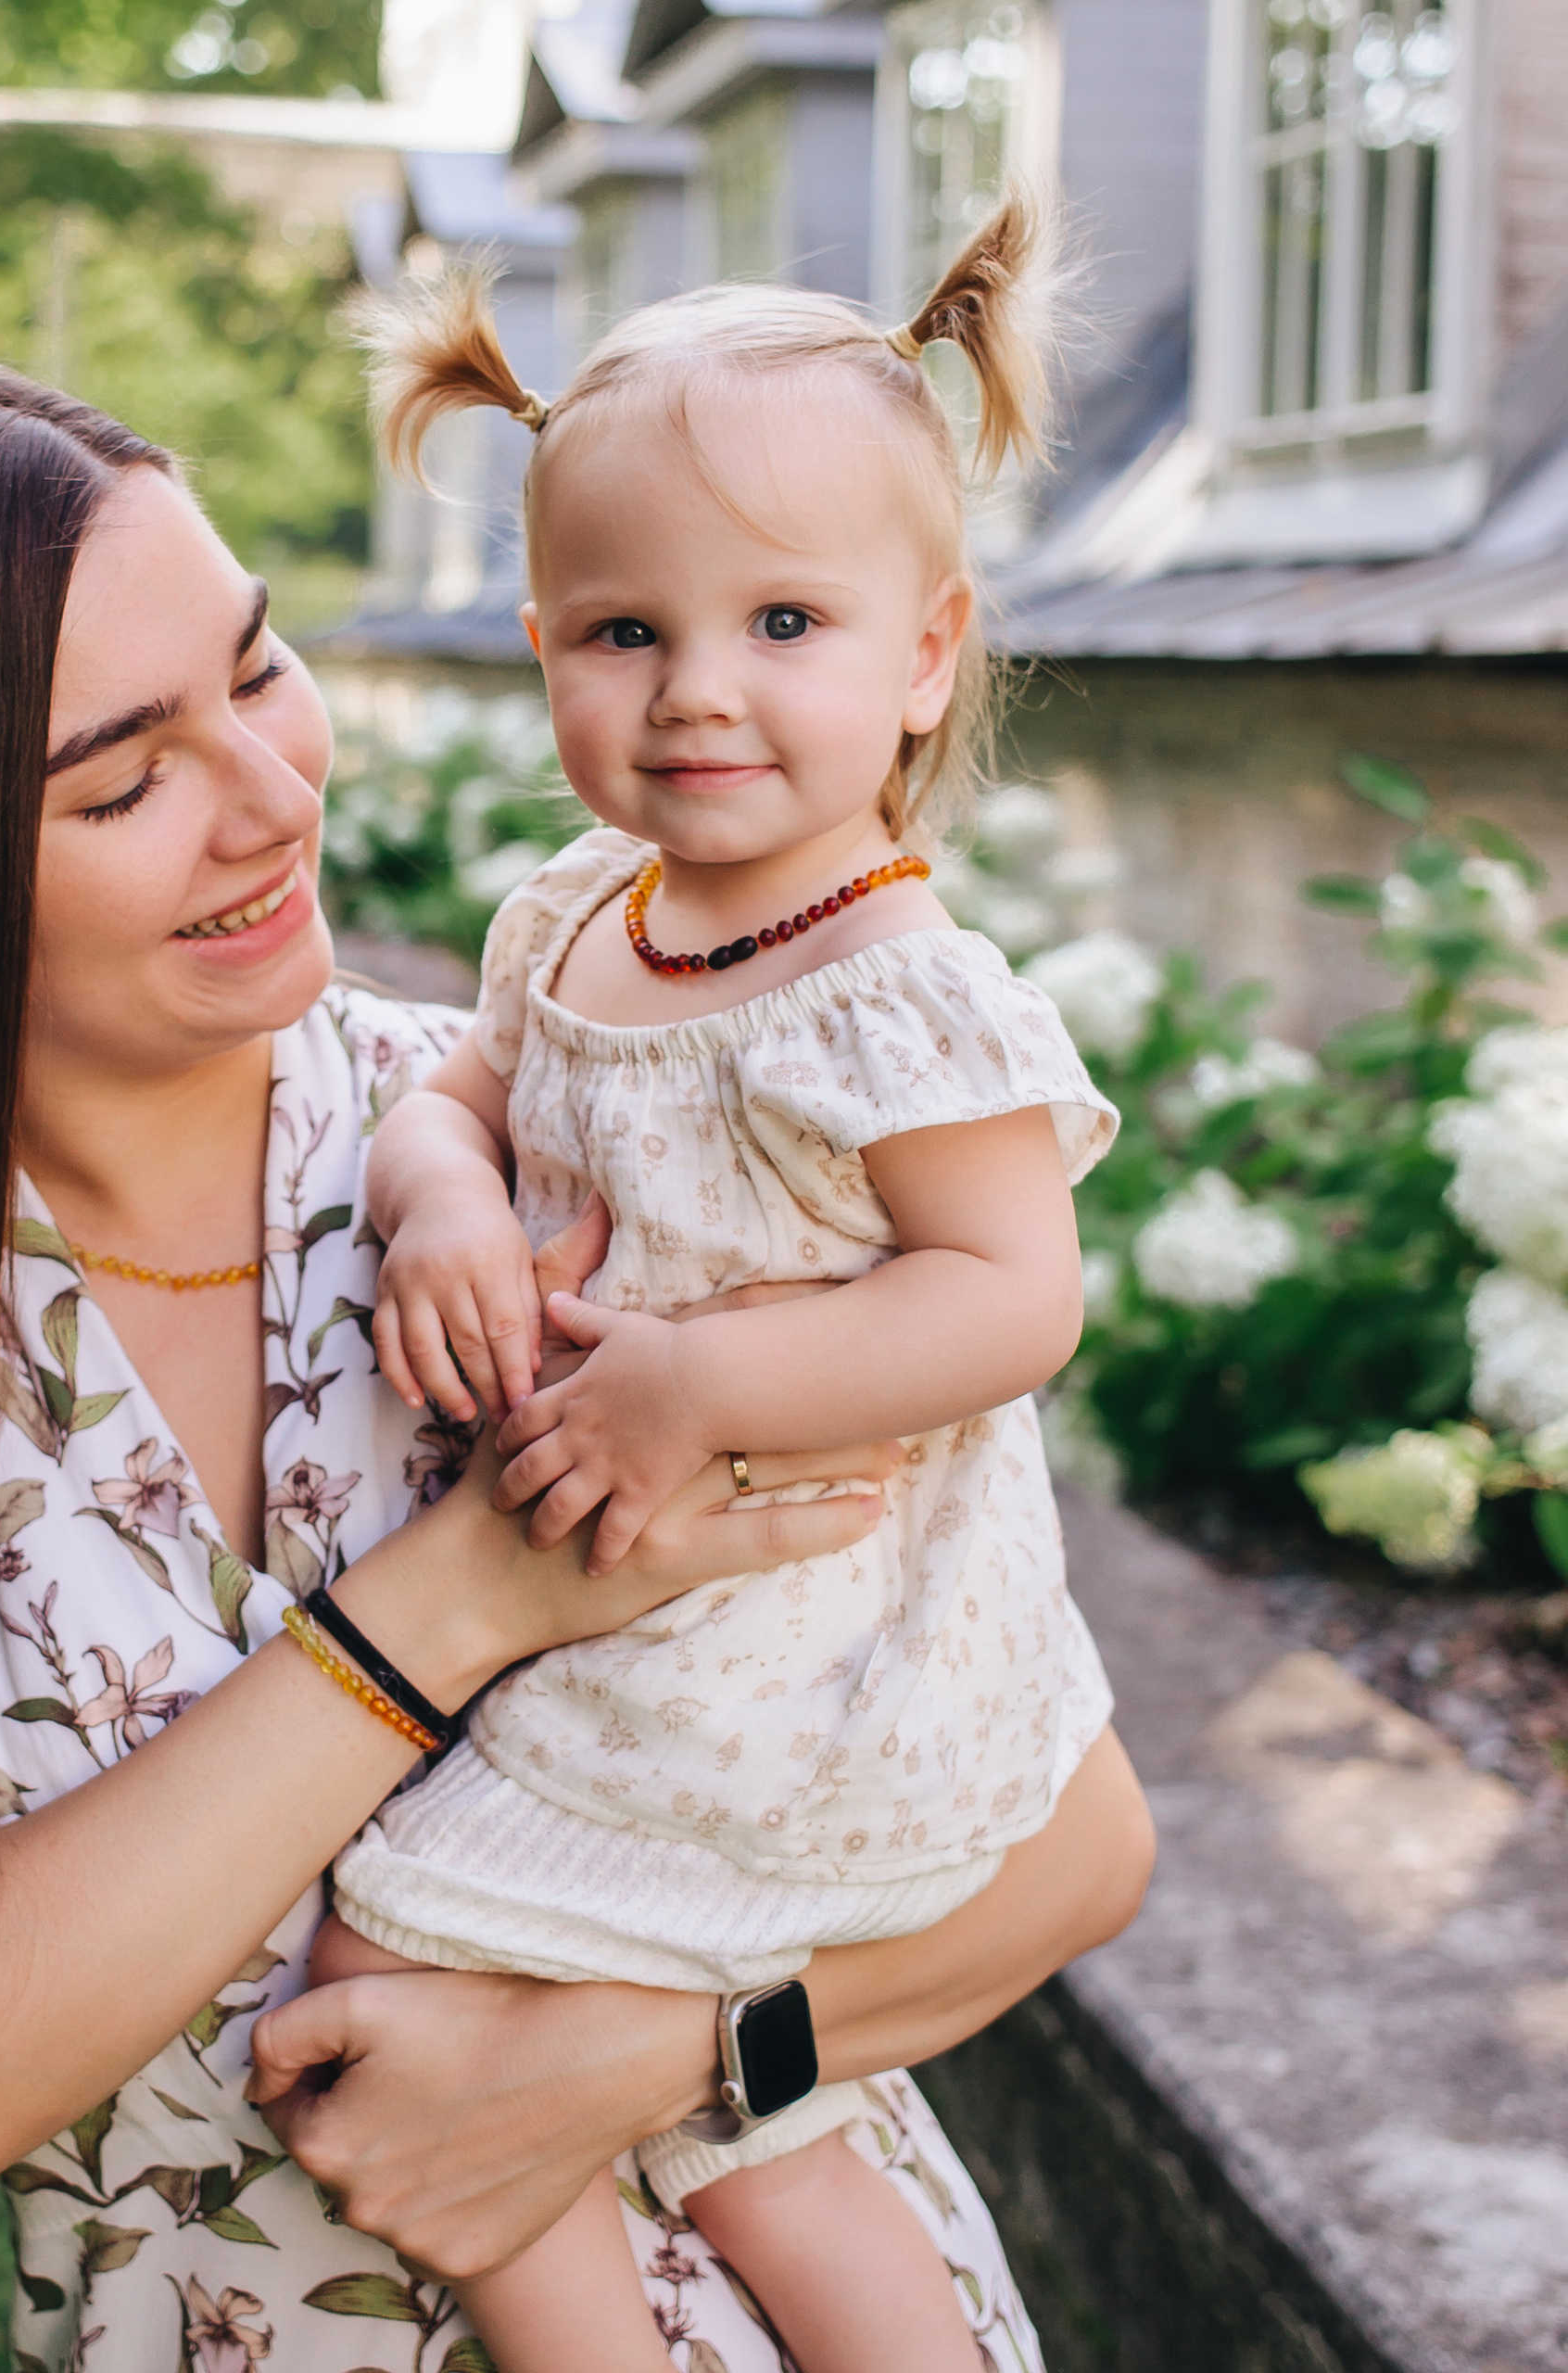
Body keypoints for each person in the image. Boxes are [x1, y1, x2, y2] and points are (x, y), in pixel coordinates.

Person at [0, 355, 1155, 2373]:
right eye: (122, 778)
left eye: (257, 668)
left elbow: (1074, 1831)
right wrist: (464, 1591)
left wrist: (659, 2052)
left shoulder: (566, 1128)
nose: (270, 793)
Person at [314, 192, 1118, 2373]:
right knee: (720, 2126)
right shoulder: (585, 907)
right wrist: (444, 1206)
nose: (696, 696)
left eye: (781, 620)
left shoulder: (892, 987)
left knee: (393, 1991)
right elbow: (454, 1098)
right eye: (620, 632)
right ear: (539, 640)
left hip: (792, 1660)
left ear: (925, 651)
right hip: (647, 1629)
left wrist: (693, 1382)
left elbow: (1007, 1296)